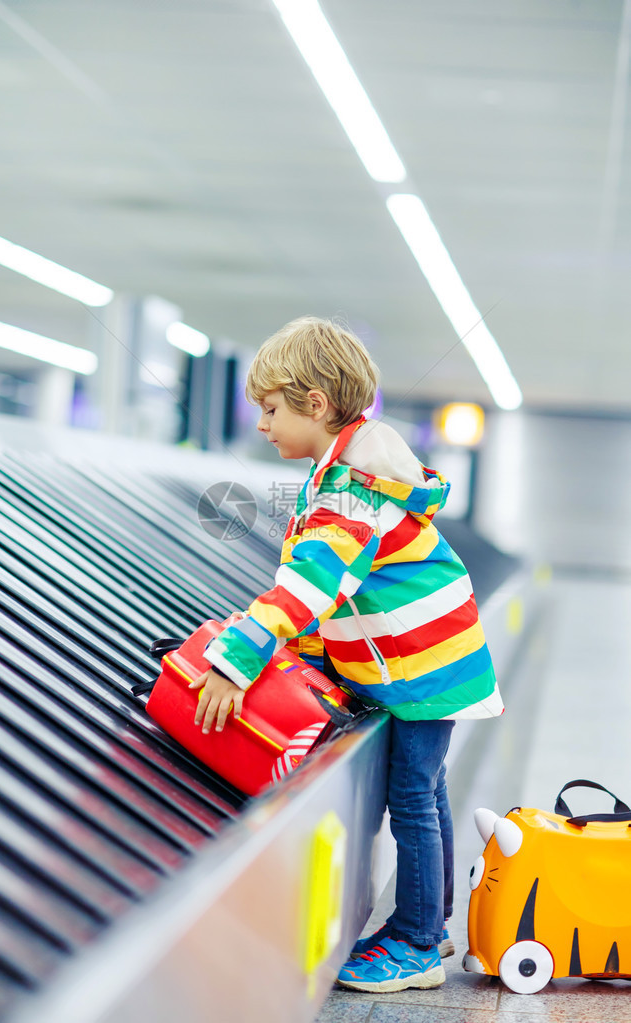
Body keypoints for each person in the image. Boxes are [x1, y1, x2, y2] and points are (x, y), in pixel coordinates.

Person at [190, 316, 503, 993]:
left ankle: (418, 944)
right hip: (425, 659)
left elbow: (309, 584)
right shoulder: (344, 469)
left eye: (271, 409)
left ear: (316, 404)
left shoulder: (352, 489)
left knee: (413, 796)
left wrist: (236, 660)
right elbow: (332, 594)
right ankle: (427, 921)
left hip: (423, 666)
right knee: (426, 790)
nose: (263, 425)